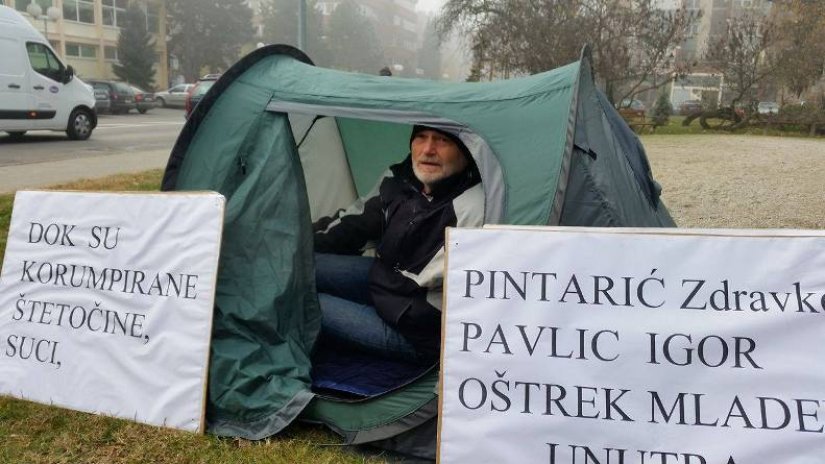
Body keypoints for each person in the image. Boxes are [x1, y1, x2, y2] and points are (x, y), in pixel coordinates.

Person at [313, 125, 484, 363]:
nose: (428, 149)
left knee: (307, 303)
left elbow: (429, 292)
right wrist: (291, 240)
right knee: (302, 265)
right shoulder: (403, 179)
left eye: (442, 141)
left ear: (466, 151)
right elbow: (354, 225)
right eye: (421, 138)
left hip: (415, 332)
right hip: (387, 285)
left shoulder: (474, 208)